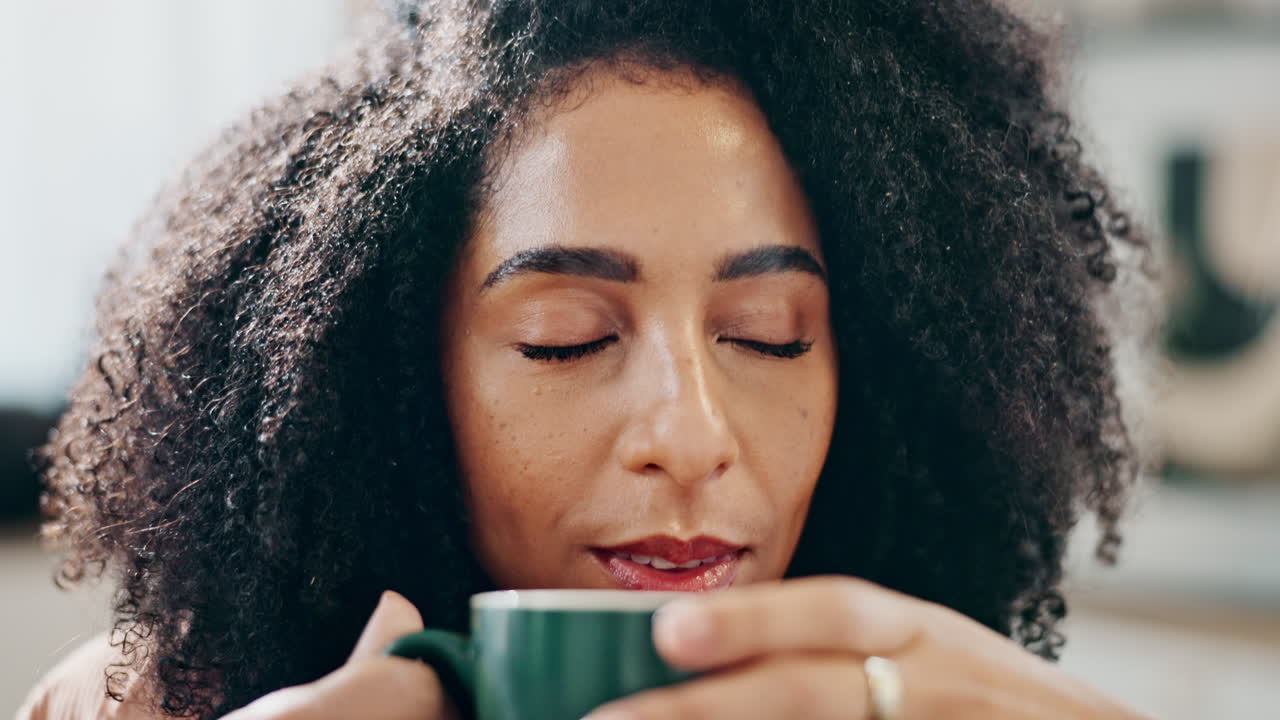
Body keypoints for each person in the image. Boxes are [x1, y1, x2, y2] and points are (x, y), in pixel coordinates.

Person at [19, 0, 1158, 718]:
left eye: (768, 334)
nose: (688, 437)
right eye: (565, 339)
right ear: (394, 385)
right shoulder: (158, 699)